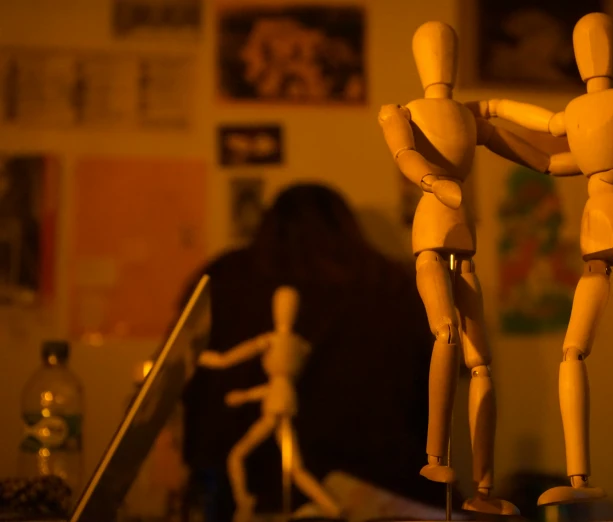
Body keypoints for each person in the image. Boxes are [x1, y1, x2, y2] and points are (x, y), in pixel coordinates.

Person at [179, 183, 446, 520]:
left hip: (252, 495)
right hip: (386, 490)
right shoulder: (393, 283)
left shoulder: (222, 278)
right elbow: (430, 395)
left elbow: (190, 385)